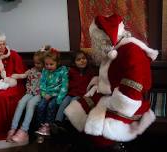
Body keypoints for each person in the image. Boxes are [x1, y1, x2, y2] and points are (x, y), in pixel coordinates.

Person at [64, 14, 158, 152]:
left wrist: (116, 103)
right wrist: (99, 82)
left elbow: (134, 84)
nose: (93, 42)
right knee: (77, 109)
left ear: (104, 36)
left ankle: (113, 146)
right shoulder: (114, 49)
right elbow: (113, 74)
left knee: (102, 131)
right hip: (108, 94)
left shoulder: (132, 50)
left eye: (95, 39)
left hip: (128, 102)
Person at [6, 49, 45, 144]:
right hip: (29, 93)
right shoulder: (31, 70)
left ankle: (24, 130)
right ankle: (13, 129)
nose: (36, 65)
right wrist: (13, 76)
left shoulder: (46, 72)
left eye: (39, 63)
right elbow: (23, 75)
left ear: (44, 63)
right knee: (20, 103)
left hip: (39, 94)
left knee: (30, 104)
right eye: (35, 63)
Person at [35, 47, 68, 142]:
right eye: (46, 64)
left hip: (57, 95)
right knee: (40, 106)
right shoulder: (45, 71)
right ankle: (40, 128)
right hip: (46, 94)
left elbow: (64, 86)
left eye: (51, 64)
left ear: (57, 62)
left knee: (51, 106)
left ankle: (48, 127)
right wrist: (44, 94)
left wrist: (59, 99)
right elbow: (42, 83)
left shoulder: (63, 70)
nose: (48, 66)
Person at [54, 50, 95, 126]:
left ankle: (67, 121)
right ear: (74, 63)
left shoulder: (90, 72)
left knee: (73, 101)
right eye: (78, 60)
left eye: (83, 58)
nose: (82, 61)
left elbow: (93, 83)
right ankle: (57, 122)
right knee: (64, 102)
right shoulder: (71, 71)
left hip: (80, 95)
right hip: (71, 93)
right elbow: (64, 79)